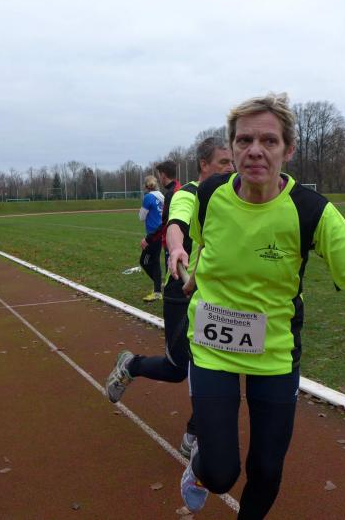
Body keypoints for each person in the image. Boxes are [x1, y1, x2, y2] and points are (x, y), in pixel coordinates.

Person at [168, 93, 345, 517]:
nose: (255, 150)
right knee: (221, 472)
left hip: (275, 354)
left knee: (266, 470)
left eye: (269, 141)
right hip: (211, 349)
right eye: (244, 140)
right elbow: (198, 227)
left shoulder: (311, 211)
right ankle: (199, 471)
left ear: (288, 150)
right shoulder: (211, 194)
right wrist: (182, 248)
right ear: (232, 147)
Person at [105, 137, 234, 458]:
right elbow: (176, 222)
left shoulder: (235, 195)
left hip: (217, 295)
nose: (231, 168)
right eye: (224, 162)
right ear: (204, 164)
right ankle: (131, 365)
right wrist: (176, 247)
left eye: (233, 162)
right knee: (179, 368)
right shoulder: (187, 194)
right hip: (182, 289)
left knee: (216, 363)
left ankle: (194, 433)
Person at [139, 176, 164, 301]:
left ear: (146, 186)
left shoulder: (148, 197)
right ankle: (158, 288)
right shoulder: (162, 196)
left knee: (144, 261)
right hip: (161, 232)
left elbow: (141, 217)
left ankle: (158, 288)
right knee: (155, 261)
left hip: (153, 234)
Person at [155, 160, 182, 272]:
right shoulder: (180, 188)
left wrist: (148, 239)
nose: (159, 179)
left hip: (171, 242)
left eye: (159, 175)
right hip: (180, 240)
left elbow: (165, 223)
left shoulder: (171, 193)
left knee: (172, 274)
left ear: (163, 175)